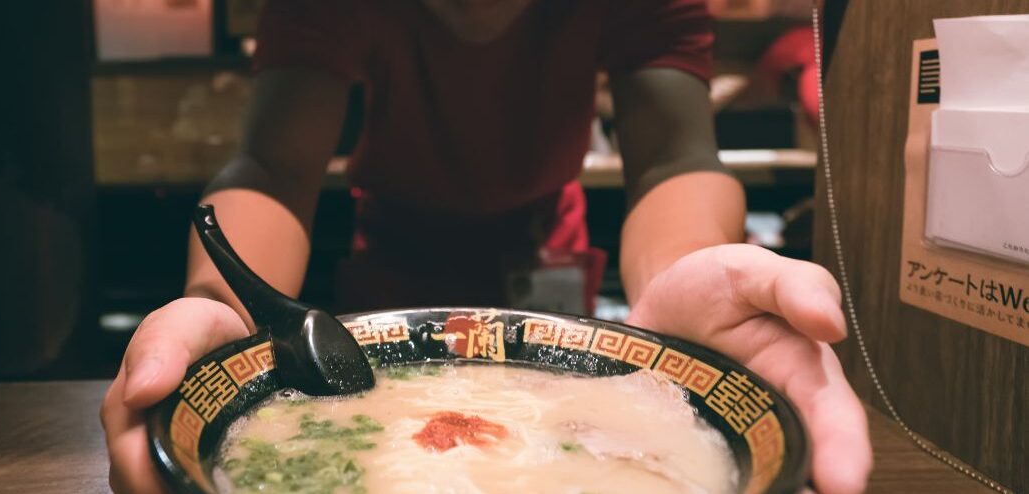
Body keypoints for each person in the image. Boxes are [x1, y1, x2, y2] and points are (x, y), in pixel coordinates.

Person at [102, 0, 873, 492]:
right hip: (388, 286)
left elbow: (674, 158)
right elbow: (274, 166)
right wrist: (224, 312)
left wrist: (683, 279)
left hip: (547, 271)